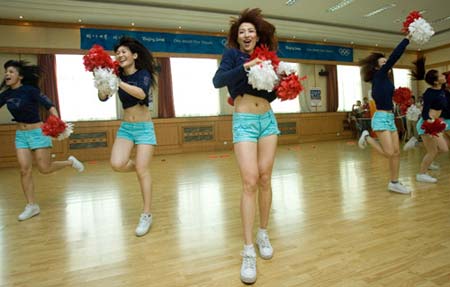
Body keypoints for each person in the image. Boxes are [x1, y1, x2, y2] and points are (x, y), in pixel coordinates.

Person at [212, 8, 279, 284]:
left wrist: (284, 83)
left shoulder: (266, 55)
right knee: (249, 180)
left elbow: (270, 95)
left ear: (257, 34)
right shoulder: (231, 56)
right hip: (244, 121)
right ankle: (248, 249)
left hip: (268, 120)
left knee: (265, 178)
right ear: (237, 37)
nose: (246, 34)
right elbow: (218, 81)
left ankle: (263, 232)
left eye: (250, 30)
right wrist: (247, 66)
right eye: (242, 31)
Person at [0, 60, 84, 221]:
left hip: (38, 132)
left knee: (44, 168)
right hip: (21, 135)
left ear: (20, 76)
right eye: (6, 72)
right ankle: (32, 206)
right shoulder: (6, 94)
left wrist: (57, 122)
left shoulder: (30, 90)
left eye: (11, 71)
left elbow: (50, 106)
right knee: (24, 170)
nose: (7, 74)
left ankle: (69, 162)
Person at [98, 37, 158, 237]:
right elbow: (102, 97)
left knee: (142, 169)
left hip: (144, 128)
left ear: (134, 55)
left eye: (124, 51)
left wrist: (118, 82)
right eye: (118, 52)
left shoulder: (143, 74)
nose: (120, 55)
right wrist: (102, 82)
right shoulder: (116, 74)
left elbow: (141, 93)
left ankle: (147, 214)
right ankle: (141, 169)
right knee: (117, 164)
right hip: (126, 127)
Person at [358, 36, 411, 194]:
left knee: (396, 152)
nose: (387, 64)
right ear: (376, 68)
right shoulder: (379, 76)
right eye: (383, 63)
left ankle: (394, 182)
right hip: (380, 118)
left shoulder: (387, 80)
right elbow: (395, 56)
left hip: (390, 118)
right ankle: (367, 137)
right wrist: (406, 40)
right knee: (389, 153)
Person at [413, 69, 448, 183]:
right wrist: (431, 123)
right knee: (433, 151)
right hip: (427, 124)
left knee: (443, 149)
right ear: (436, 81)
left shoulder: (441, 90)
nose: (443, 75)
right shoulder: (429, 93)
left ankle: (416, 143)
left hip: (435, 123)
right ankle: (421, 174)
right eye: (441, 75)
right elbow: (424, 113)